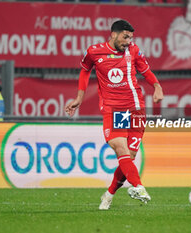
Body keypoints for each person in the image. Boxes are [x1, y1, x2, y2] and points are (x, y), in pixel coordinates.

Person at [65, 20, 163, 210]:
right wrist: (79, 97)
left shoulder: (133, 51)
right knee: (120, 147)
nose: (128, 41)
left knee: (129, 156)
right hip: (115, 109)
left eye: (131, 38)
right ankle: (139, 187)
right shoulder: (94, 51)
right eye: (125, 37)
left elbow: (146, 71)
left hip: (136, 108)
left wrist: (157, 87)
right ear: (113, 34)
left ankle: (109, 194)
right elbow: (85, 70)